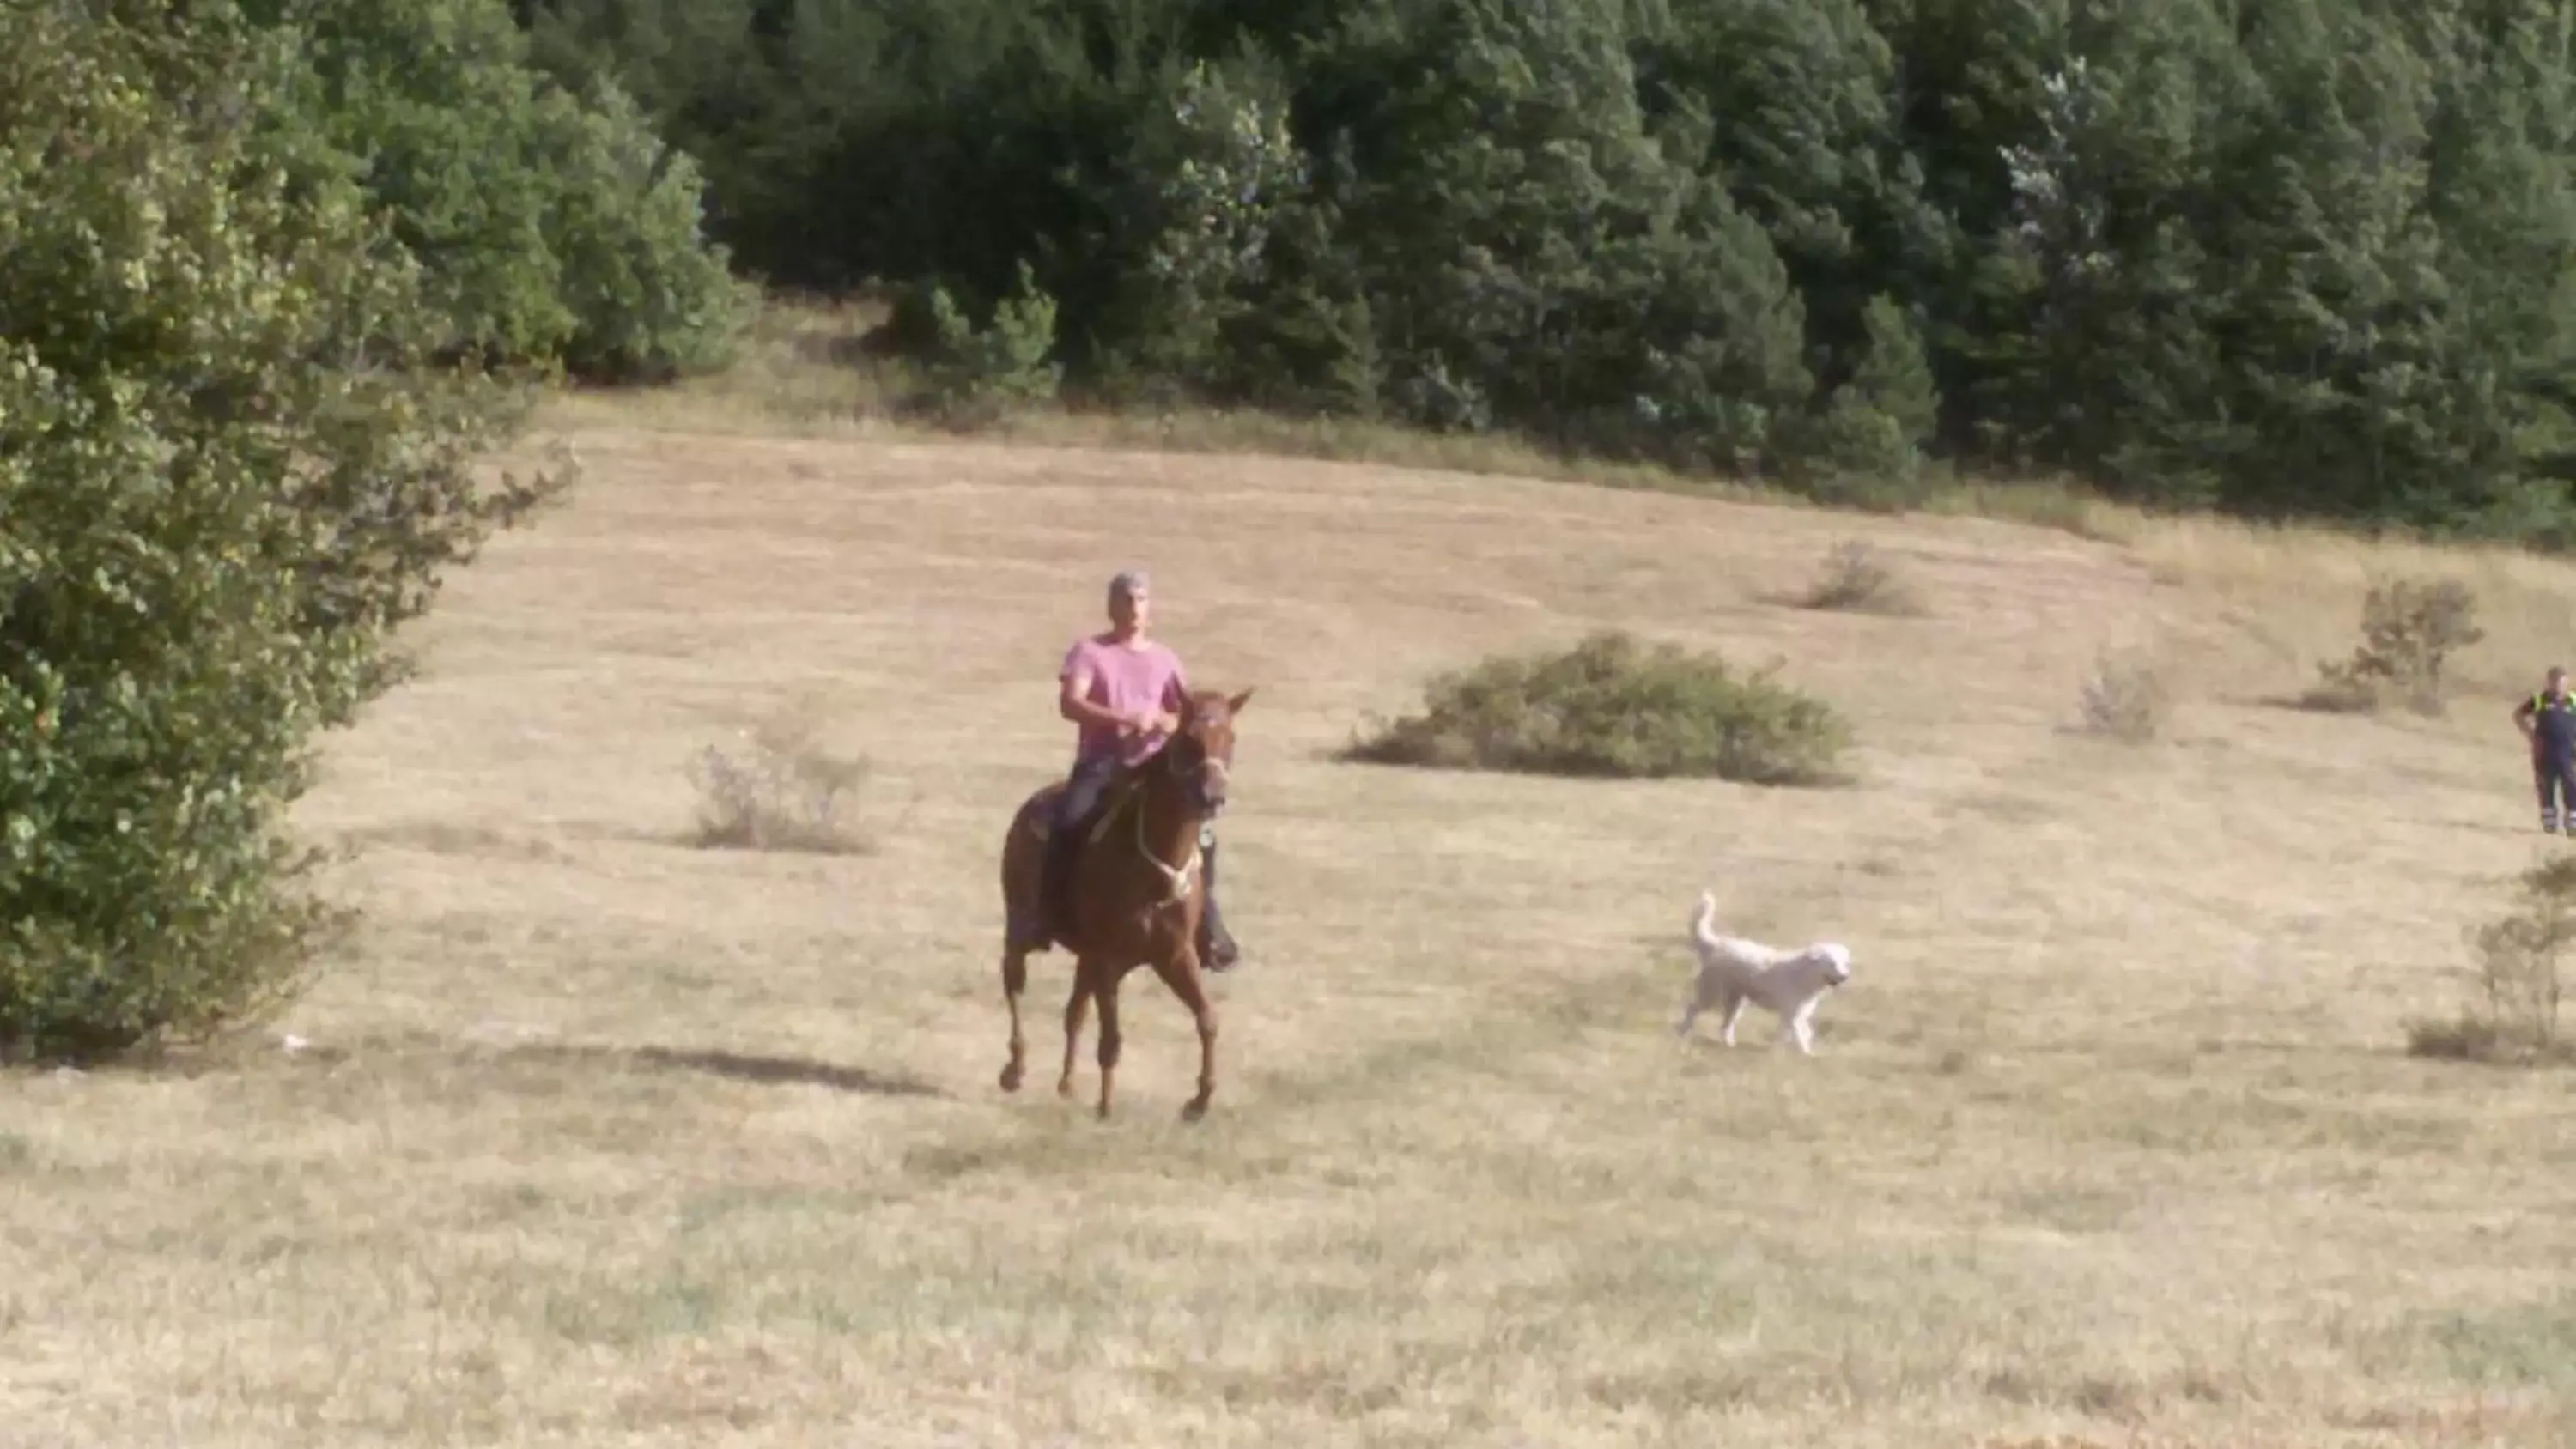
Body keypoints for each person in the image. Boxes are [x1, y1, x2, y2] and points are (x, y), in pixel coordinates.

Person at [1039, 570, 1242, 967]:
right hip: (1103, 765)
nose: (1134, 608)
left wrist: (1172, 721)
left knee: (1201, 836)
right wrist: (1125, 717)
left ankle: (1207, 927)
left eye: (1141, 600)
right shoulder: (1090, 653)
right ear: (1112, 607)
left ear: (1151, 609)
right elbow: (1071, 703)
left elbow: (1185, 710)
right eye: (1127, 599)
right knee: (1069, 820)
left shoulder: (1165, 659)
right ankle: (1048, 915)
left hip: (1154, 765)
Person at [2512, 665, 2576, 834]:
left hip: (2567, 752)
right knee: (2546, 786)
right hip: (2544, 752)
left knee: (2571, 785)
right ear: (2548, 682)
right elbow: (2518, 715)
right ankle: (2549, 821)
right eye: (2554, 681)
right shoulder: (2539, 699)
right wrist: (2529, 733)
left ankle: (2572, 822)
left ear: (2566, 683)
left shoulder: (2573, 701)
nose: (2557, 686)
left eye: (2561, 682)